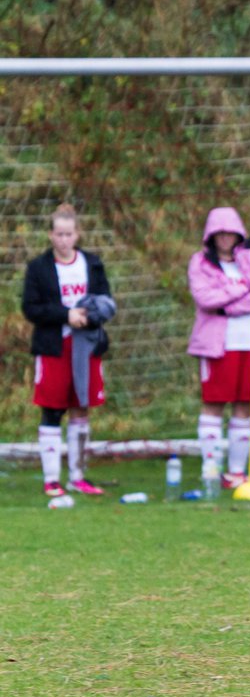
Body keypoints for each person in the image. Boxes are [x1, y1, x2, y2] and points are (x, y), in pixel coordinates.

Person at [21, 204, 115, 497]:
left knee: (81, 409)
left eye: (69, 234)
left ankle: (78, 476)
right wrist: (66, 315)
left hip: (86, 347)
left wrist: (91, 316)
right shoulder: (38, 268)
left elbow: (106, 301)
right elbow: (31, 307)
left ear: (77, 235)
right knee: (52, 410)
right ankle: (51, 479)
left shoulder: (92, 263)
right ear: (51, 235)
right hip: (53, 348)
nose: (63, 240)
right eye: (58, 234)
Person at [187, 207, 250, 490]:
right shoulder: (199, 263)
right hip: (218, 347)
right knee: (214, 404)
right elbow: (206, 298)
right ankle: (211, 467)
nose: (225, 238)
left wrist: (230, 305)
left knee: (244, 406)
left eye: (230, 232)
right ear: (211, 235)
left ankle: (236, 472)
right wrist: (241, 291)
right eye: (220, 233)